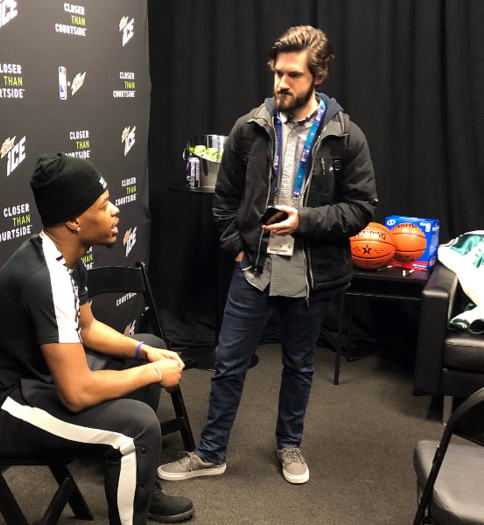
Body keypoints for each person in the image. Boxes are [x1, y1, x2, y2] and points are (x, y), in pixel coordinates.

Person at [158, 25, 378, 485]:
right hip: (255, 268)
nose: (281, 82)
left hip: (312, 272)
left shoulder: (345, 135)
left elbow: (361, 209)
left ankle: (289, 444)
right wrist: (237, 250)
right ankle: (211, 453)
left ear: (317, 76)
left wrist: (304, 221)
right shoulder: (250, 127)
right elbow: (225, 200)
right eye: (277, 73)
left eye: (293, 75)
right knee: (229, 363)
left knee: (299, 365)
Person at [0, 152, 195, 524]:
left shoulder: (65, 256)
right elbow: (76, 393)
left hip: (33, 381)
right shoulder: (42, 278)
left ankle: (140, 488)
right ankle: (133, 482)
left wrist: (145, 351)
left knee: (154, 350)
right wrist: (154, 375)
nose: (115, 211)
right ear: (73, 220)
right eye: (103, 206)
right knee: (139, 426)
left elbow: (88, 329)